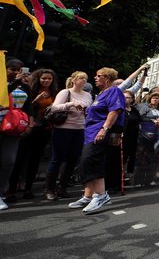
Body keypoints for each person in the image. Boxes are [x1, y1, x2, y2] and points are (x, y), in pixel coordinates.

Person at [68, 67, 125, 214]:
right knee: (85, 162)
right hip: (89, 133)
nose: (95, 78)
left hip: (99, 132)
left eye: (99, 76)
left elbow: (115, 111)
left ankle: (101, 195)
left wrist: (104, 129)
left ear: (107, 78)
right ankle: (88, 196)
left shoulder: (114, 90)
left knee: (92, 161)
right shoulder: (100, 94)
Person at [8, 68, 59, 200]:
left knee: (35, 160)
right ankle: (11, 190)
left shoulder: (54, 92)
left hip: (45, 129)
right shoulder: (29, 90)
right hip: (28, 128)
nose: (46, 81)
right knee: (20, 159)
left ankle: (28, 189)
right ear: (38, 79)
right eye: (44, 78)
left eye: (49, 78)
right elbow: (24, 108)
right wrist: (36, 100)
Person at [45, 71, 92, 200]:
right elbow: (54, 108)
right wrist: (70, 104)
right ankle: (49, 189)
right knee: (57, 158)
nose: (84, 81)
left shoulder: (88, 95)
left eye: (85, 79)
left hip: (79, 129)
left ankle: (62, 187)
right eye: (81, 78)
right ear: (73, 80)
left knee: (73, 159)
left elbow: (89, 111)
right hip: (63, 129)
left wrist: (86, 110)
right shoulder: (65, 92)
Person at [1, 58, 33, 210]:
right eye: (12, 69)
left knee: (8, 161)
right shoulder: (2, 83)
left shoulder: (25, 87)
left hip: (13, 128)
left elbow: (28, 107)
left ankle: (1, 194)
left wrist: (28, 124)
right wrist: (15, 83)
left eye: (18, 70)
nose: (15, 72)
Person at [135, 92, 159, 186]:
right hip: (144, 135)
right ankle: (138, 180)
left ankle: (149, 179)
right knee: (141, 158)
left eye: (157, 98)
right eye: (153, 98)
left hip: (157, 136)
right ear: (150, 99)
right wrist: (151, 120)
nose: (155, 99)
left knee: (153, 158)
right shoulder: (146, 107)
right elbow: (140, 117)